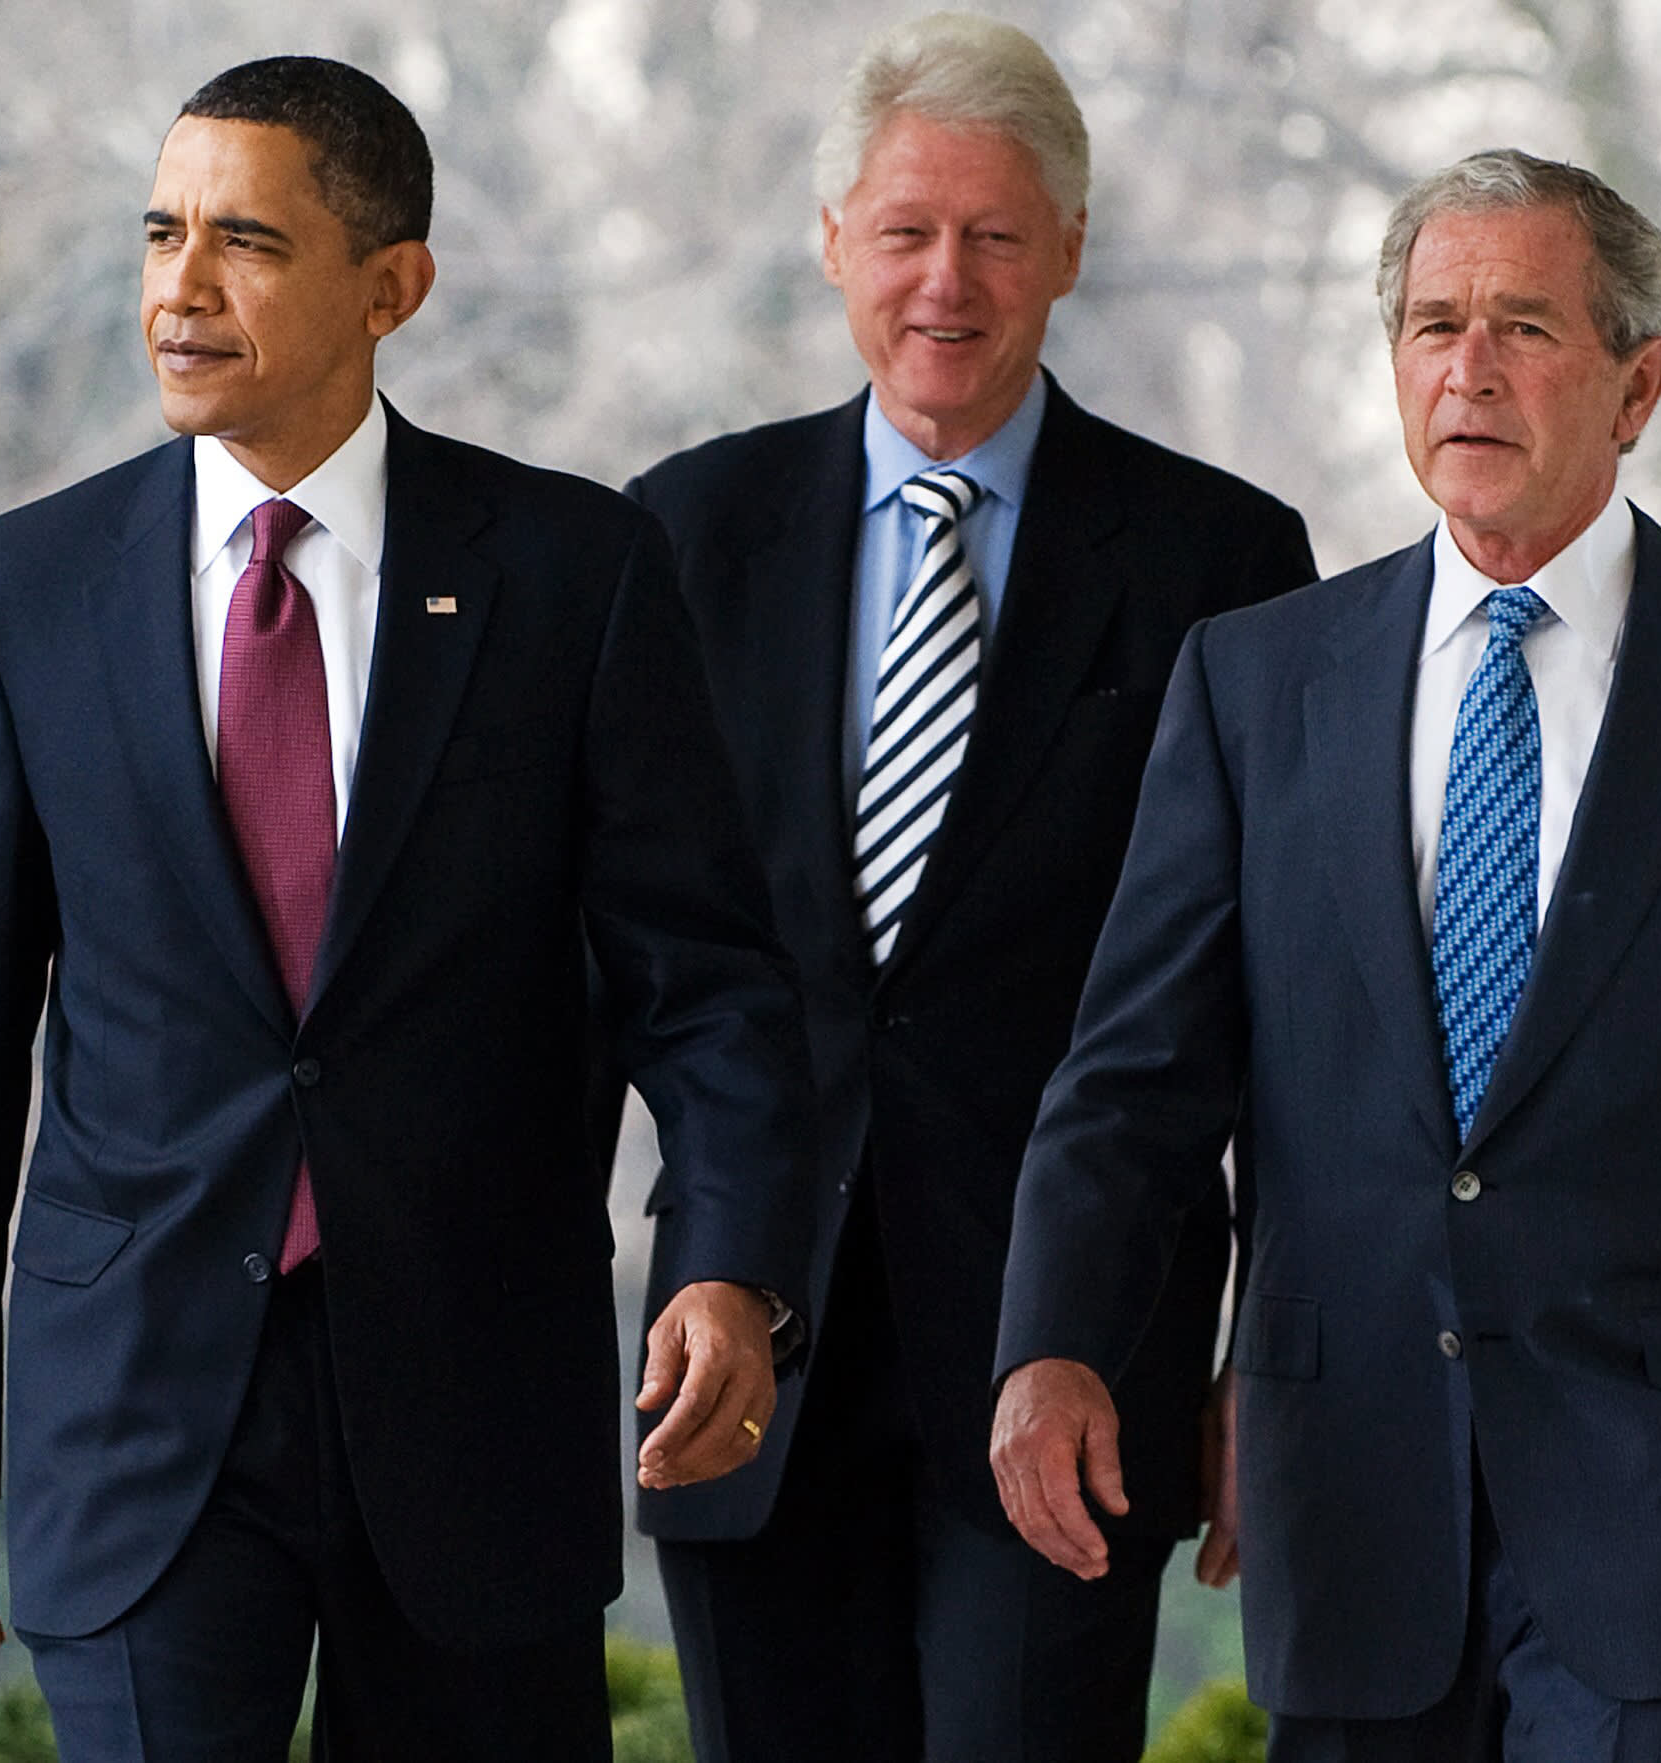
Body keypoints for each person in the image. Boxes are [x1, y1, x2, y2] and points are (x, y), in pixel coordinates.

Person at [991, 148, 1661, 1763]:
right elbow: (1136, 1072)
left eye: (1522, 327)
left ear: (1639, 386)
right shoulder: (1256, 684)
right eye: (1432, 325)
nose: (1467, 370)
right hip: (1345, 1476)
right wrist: (1055, 1339)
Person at [0, 56, 815, 1763]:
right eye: (162, 234)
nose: (181, 288)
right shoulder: (24, 591)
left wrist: (730, 1266)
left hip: (473, 1414)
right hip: (140, 1420)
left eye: (246, 241)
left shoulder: (573, 575)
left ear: (392, 287)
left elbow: (713, 987)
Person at [612, 14, 1315, 1761]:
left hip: (1070, 1358)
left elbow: (1281, 1016)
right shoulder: (681, 540)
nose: (949, 280)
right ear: (833, 237)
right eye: (909, 230)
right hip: (746, 1346)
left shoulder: (1218, 565)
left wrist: (1268, 1361)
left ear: (1068, 251)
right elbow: (620, 961)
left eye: (998, 235)